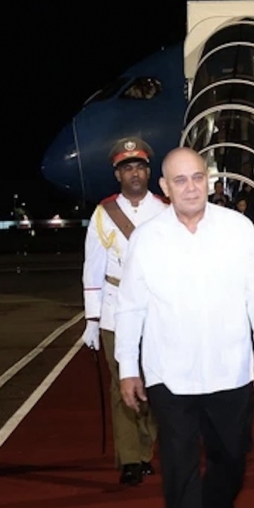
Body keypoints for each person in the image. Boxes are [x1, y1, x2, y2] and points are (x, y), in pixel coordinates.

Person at [115, 147, 254, 508]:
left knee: (231, 458)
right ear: (164, 188)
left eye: (197, 178)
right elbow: (131, 307)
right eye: (179, 180)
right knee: (179, 470)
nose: (190, 187)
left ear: (208, 180)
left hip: (230, 371)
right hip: (171, 375)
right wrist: (128, 367)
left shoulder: (238, 229)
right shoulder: (147, 239)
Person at [82, 137, 167, 486]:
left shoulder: (165, 209)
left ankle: (146, 450)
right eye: (127, 168)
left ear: (148, 172)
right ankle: (130, 459)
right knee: (123, 387)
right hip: (116, 311)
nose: (134, 173)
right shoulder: (104, 214)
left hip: (156, 313)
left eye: (139, 167)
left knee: (157, 387)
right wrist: (92, 318)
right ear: (118, 175)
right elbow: (93, 267)